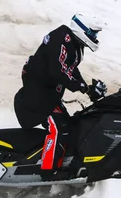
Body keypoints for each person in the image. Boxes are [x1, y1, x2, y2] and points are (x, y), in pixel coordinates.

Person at [14, 13, 108, 175]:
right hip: (37, 97)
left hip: (48, 96)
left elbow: (70, 68)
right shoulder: (61, 39)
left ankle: (65, 163)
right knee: (59, 130)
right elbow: (58, 70)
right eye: (93, 33)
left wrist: (87, 88)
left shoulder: (73, 43)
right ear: (82, 29)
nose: (94, 37)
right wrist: (83, 88)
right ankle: (47, 172)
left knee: (72, 126)